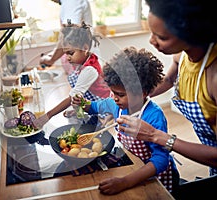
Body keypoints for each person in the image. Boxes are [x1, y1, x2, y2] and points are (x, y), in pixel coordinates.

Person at [116, 0, 217, 198]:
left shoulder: (214, 76)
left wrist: (157, 136)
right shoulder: (183, 55)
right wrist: (132, 94)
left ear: (193, 34)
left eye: (161, 37)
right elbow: (171, 79)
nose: (152, 42)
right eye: (151, 32)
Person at [72, 46, 179, 195]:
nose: (114, 98)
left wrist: (125, 181)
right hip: (134, 165)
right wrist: (82, 104)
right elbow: (95, 107)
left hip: (154, 175)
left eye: (120, 94)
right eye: (113, 92)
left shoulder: (154, 116)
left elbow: (161, 159)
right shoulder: (115, 104)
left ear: (143, 93)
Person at [33, 21, 112, 128]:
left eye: (71, 53)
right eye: (66, 53)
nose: (67, 57)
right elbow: (81, 93)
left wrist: (48, 115)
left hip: (103, 111)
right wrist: (77, 110)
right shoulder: (82, 62)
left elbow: (72, 97)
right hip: (92, 107)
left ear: (85, 49)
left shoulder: (89, 69)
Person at [40, 0, 101, 75]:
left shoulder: (71, 2)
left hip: (84, 66)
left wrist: (51, 60)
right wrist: (53, 54)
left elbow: (70, 34)